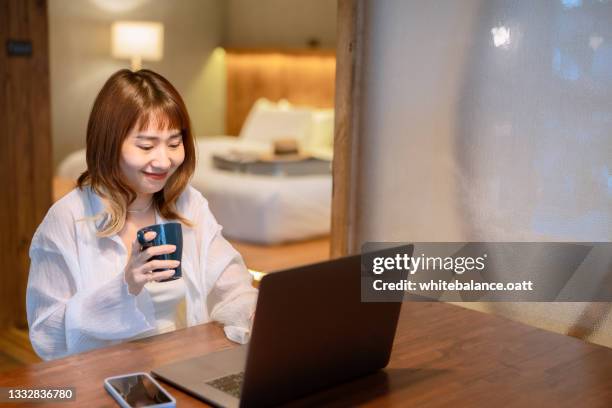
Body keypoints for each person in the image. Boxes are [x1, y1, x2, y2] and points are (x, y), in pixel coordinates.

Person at [26, 69, 258, 361]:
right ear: (109, 143)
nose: (164, 160)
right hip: (103, 380)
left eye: (174, 143)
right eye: (146, 146)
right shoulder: (67, 219)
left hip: (179, 370)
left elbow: (232, 287)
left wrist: (254, 308)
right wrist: (124, 288)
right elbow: (46, 337)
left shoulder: (188, 204)